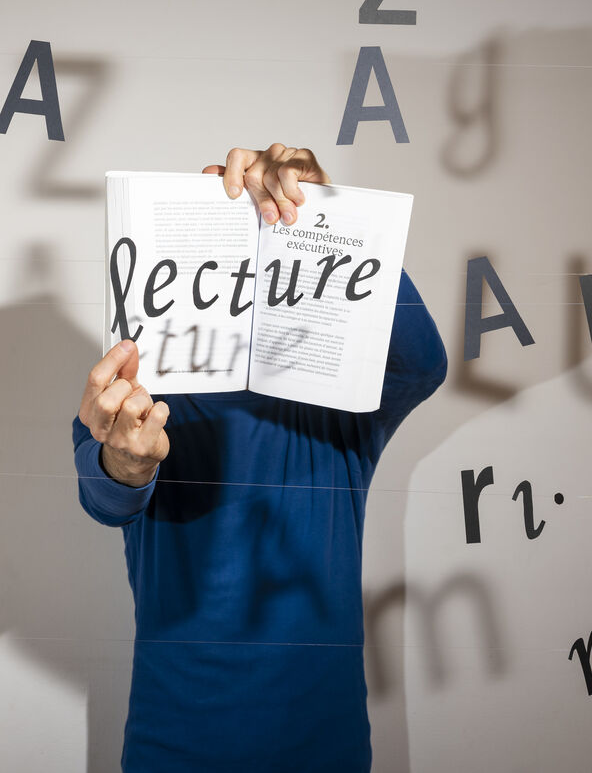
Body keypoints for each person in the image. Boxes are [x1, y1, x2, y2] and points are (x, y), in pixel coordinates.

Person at [72, 144, 447, 772]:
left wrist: (329, 213)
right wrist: (130, 465)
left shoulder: (338, 404)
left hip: (325, 751)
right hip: (174, 748)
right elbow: (104, 495)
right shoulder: (135, 396)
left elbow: (422, 362)